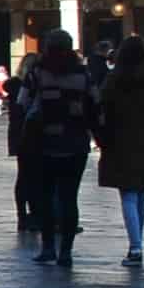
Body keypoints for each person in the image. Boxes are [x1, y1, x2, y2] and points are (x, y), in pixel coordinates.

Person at [14, 37, 99, 264]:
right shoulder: (82, 74)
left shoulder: (37, 73)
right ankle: (66, 252)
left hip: (43, 144)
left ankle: (49, 247)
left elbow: (22, 102)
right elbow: (94, 104)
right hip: (75, 142)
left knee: (44, 196)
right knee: (69, 198)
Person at [96, 36, 144, 265]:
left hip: (120, 139)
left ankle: (135, 247)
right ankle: (138, 243)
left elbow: (103, 108)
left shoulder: (114, 80)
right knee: (141, 192)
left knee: (127, 194)